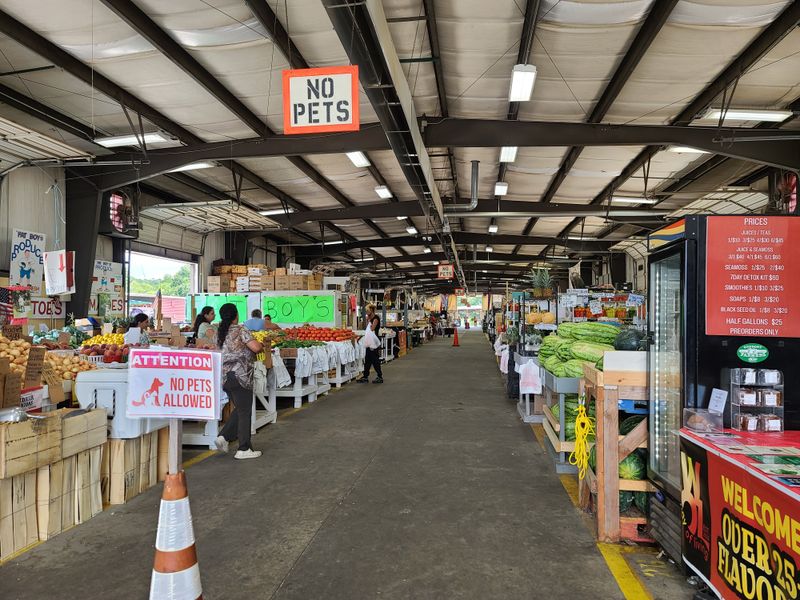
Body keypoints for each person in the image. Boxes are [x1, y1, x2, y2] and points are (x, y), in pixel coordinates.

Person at [215, 303, 264, 460]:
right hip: (240, 376)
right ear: (236, 315)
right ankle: (244, 448)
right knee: (244, 412)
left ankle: (223, 437)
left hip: (225, 377)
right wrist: (262, 344)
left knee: (241, 408)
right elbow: (255, 347)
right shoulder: (241, 330)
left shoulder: (218, 332)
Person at [357, 303, 383, 384]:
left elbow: (372, 329)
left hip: (374, 342)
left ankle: (379, 376)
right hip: (369, 341)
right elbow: (367, 331)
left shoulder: (376, 318)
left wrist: (369, 321)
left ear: (371, 310)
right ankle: (365, 376)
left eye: (367, 310)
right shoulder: (369, 318)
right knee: (367, 359)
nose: (366, 312)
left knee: (375, 359)